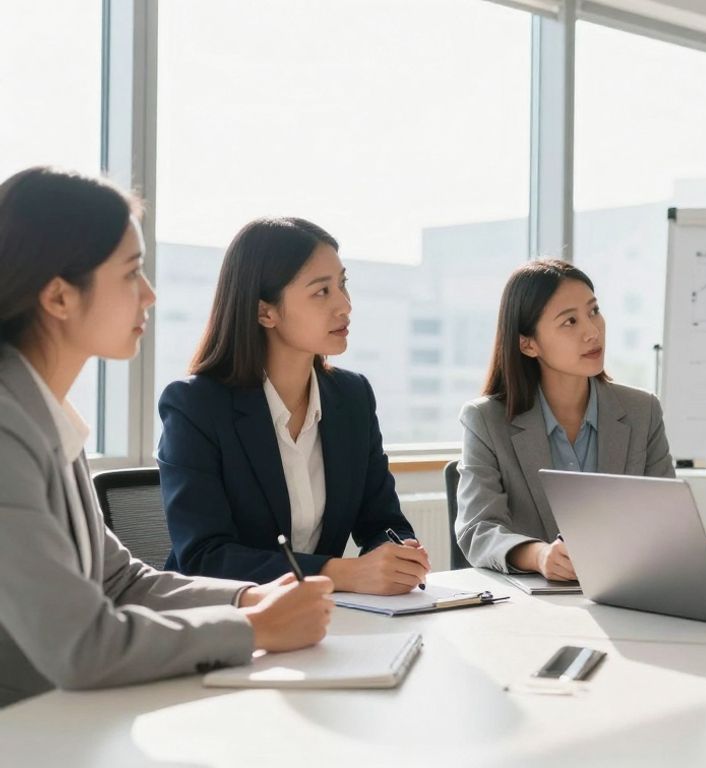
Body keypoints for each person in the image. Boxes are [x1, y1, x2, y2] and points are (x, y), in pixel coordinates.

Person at [0, 167, 332, 707]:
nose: (150, 295)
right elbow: (82, 645)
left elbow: (120, 583)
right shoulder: (6, 427)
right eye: (132, 274)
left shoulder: (45, 413)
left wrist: (249, 597)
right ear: (59, 297)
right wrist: (256, 630)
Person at [159, 217, 429, 594]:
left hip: (324, 621)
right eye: (322, 291)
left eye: (343, 285)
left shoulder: (352, 398)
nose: (345, 305)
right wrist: (342, 573)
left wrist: (397, 551)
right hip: (227, 623)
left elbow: (382, 520)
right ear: (264, 312)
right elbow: (206, 557)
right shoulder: (196, 406)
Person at [457, 259, 674, 580]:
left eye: (593, 311)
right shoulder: (485, 420)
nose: (592, 331)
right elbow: (479, 529)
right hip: (535, 607)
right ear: (528, 344)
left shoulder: (643, 411)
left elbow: (669, 521)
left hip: (631, 591)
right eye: (570, 321)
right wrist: (540, 555)